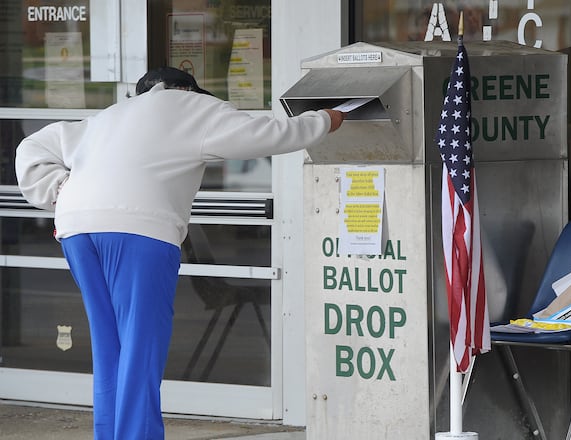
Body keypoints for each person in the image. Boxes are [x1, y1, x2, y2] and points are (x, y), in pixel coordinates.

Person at [14, 66, 345, 440]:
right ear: (186, 89)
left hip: (76, 228)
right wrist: (326, 120)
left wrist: (58, 190)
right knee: (141, 348)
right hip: (139, 230)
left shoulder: (106, 117)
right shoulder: (191, 106)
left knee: (111, 348)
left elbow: (31, 147)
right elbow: (267, 134)